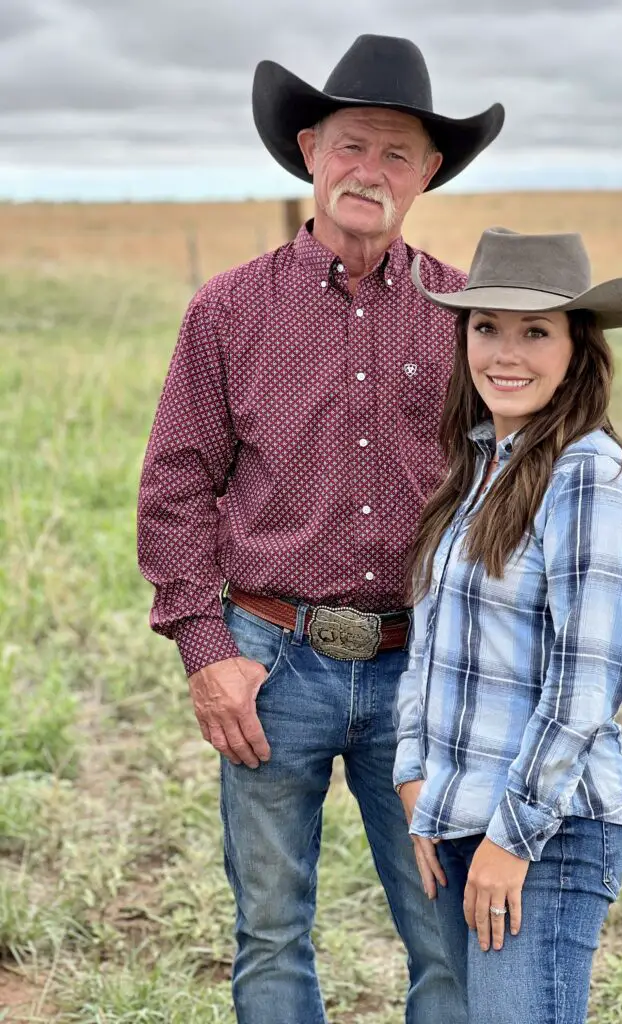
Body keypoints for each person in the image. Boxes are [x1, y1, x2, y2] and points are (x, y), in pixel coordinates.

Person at [137, 34, 504, 1024]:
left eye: (396, 154)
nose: (369, 172)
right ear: (310, 150)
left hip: (421, 668)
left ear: (428, 173)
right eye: (352, 146)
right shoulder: (225, 312)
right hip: (267, 658)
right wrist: (205, 648)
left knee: (448, 937)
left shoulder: (471, 314)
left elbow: (516, 480)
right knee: (269, 931)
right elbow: (176, 484)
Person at [395, 227, 622, 1024]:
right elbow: (431, 642)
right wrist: (417, 782)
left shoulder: (590, 477)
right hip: (456, 818)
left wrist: (510, 842)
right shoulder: (478, 469)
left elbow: (586, 686)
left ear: (578, 348)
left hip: (544, 832)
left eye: (535, 331)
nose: (505, 353)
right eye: (487, 327)